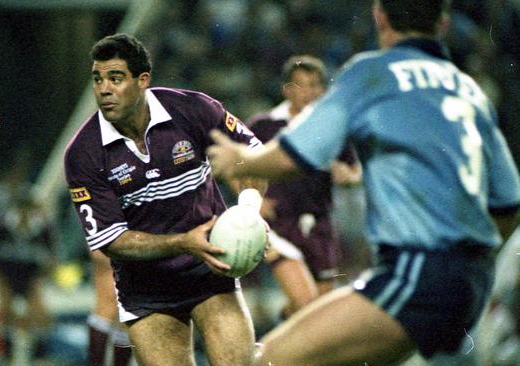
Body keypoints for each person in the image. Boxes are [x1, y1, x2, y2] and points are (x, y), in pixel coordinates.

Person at [207, 0, 520, 364]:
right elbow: (509, 203)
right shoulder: (470, 91)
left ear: (379, 15)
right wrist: (464, 264)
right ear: (444, 24)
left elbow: (297, 155)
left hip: (416, 273)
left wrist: (238, 158)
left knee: (270, 359)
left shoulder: (372, 74)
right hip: (472, 280)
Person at [64, 33, 264, 366]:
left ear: (142, 81)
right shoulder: (83, 154)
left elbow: (253, 157)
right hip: (146, 290)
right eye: (98, 79)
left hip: (209, 273)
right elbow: (112, 241)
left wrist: (249, 213)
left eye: (116, 78)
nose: (104, 89)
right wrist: (184, 242)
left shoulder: (192, 109)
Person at [247, 55, 361, 319]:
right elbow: (238, 163)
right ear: (286, 89)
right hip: (279, 224)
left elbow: (354, 171)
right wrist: (254, 199)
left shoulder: (333, 129)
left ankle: (280, 329)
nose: (308, 92)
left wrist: (349, 176)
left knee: (316, 310)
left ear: (323, 89)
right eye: (300, 85)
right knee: (306, 302)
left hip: (320, 225)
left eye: (314, 85)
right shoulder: (264, 125)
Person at [0, 189, 56, 361]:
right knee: (6, 311)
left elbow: (52, 256)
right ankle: (6, 354)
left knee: (38, 313)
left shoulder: (42, 227)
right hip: (6, 273)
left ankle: (39, 355)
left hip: (32, 275)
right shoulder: (2, 224)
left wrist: (41, 278)